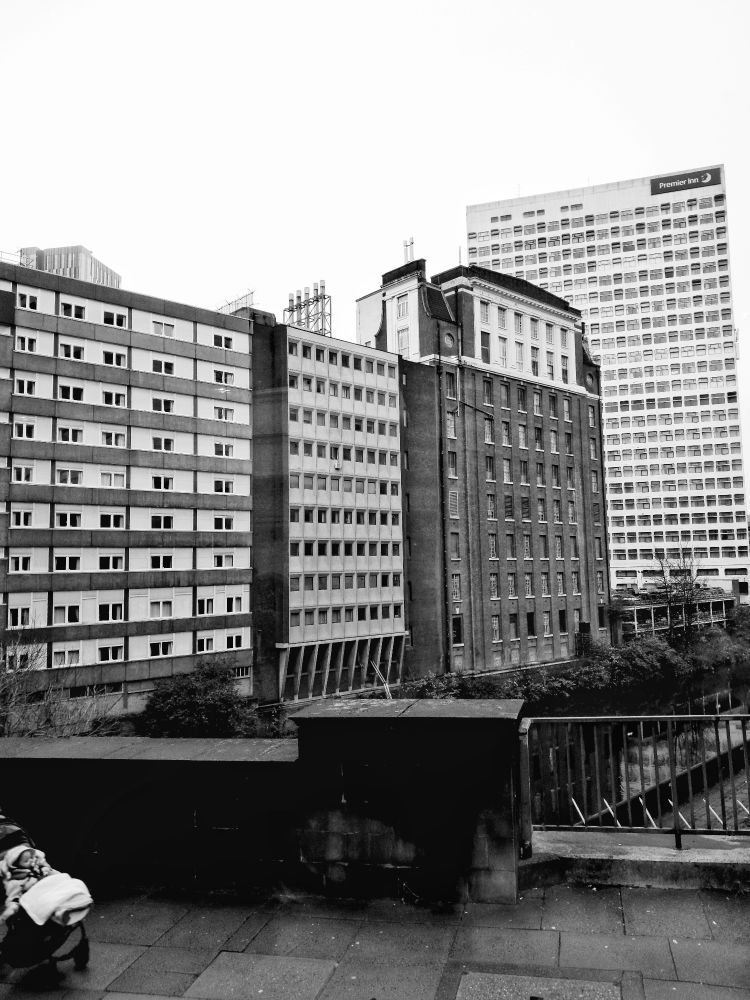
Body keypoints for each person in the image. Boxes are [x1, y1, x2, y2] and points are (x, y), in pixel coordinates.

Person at [0, 845, 54, 922]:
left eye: (32, 857)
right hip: (22, 891)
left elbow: (46, 868)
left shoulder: (36, 867)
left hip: (36, 890)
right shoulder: (17, 873)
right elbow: (14, 886)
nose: (31, 860)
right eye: (26, 861)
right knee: (14, 902)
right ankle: (8, 912)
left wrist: (46, 869)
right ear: (17, 865)